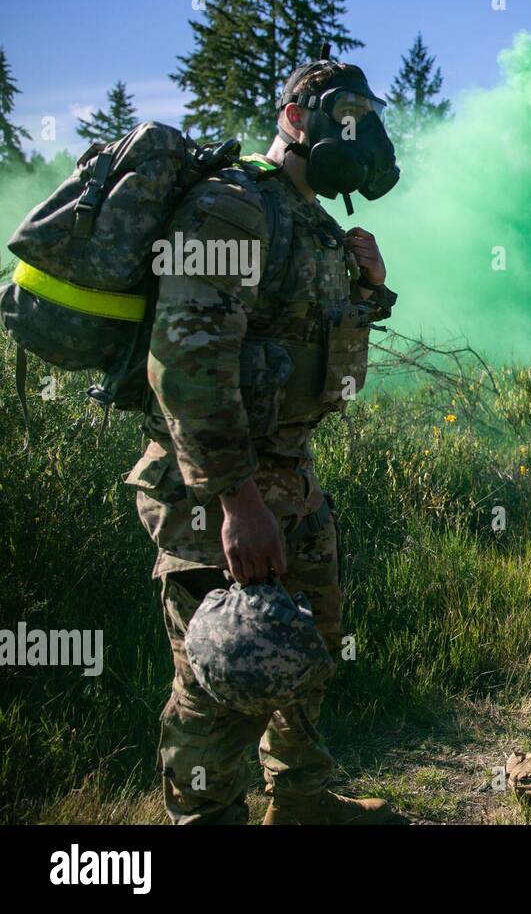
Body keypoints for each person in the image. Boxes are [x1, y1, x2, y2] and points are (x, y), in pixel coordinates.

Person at [124, 50, 401, 823]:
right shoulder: (232, 206)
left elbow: (314, 339)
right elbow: (185, 358)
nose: (362, 134)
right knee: (222, 673)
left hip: (290, 476)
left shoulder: (311, 224)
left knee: (308, 649)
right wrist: (236, 500)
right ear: (294, 118)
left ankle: (303, 801)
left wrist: (372, 289)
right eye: (347, 118)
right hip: (212, 490)